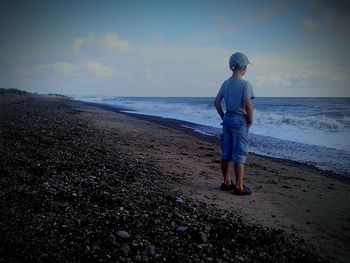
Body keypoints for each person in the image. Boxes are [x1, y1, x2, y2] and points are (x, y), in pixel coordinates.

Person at [214, 52, 255, 196]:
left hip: (228, 119)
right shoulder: (245, 84)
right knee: (239, 153)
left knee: (226, 152)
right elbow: (248, 106)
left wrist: (223, 116)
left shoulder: (226, 83)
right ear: (243, 68)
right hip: (239, 120)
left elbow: (216, 102)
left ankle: (226, 182)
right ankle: (239, 186)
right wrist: (249, 121)